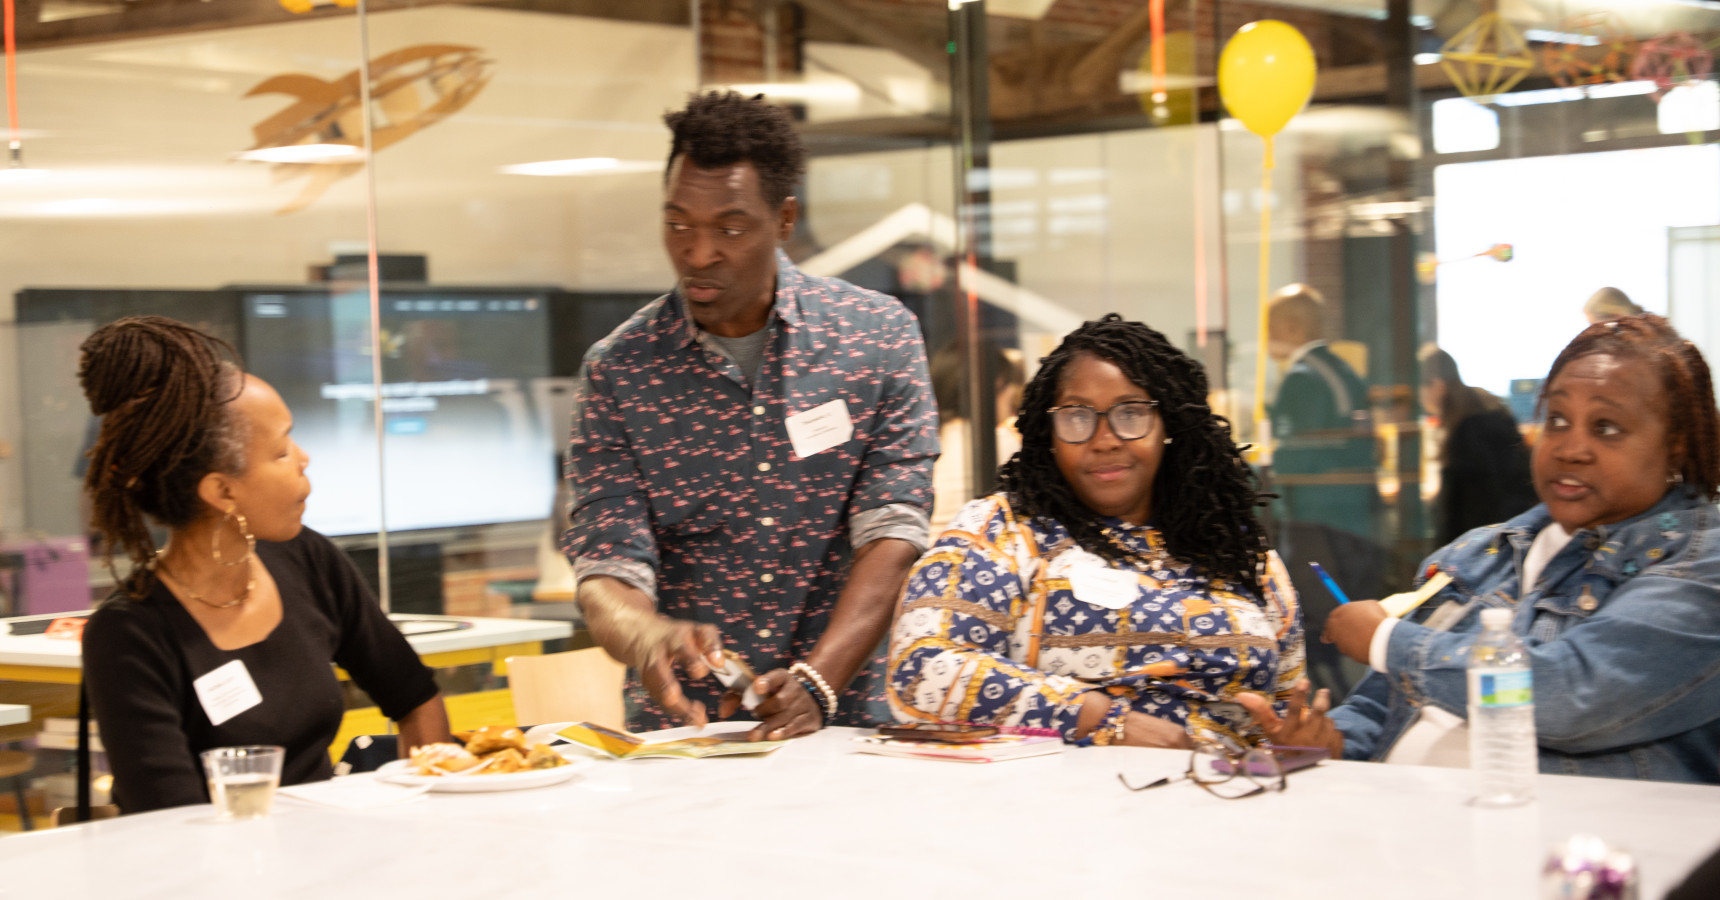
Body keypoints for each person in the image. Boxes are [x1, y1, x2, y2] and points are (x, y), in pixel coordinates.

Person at [565, 92, 937, 740]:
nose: (698, 252)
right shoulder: (620, 372)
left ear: (784, 218)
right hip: (690, 735)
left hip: (846, 724)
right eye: (678, 224)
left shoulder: (875, 340)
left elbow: (894, 531)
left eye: (730, 228)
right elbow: (607, 565)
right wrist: (642, 632)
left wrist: (819, 682)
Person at [1244, 314, 1720, 784]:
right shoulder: (1475, 555)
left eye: (1606, 427)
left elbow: (1573, 696)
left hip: (1570, 828)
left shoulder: (1698, 562)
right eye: (1557, 420)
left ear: (1676, 444)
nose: (1570, 448)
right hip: (1398, 815)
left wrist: (1386, 641)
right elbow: (1381, 705)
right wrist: (1330, 741)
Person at [78, 317, 449, 814]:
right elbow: (165, 819)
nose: (304, 458)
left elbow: (415, 697)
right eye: (281, 450)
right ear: (222, 491)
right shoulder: (130, 634)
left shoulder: (307, 561)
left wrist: (427, 811)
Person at [889, 315, 1307, 748]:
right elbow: (919, 670)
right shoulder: (1002, 530)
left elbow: (1287, 710)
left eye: (1131, 413)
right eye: (1077, 416)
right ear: (1049, 432)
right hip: (1066, 786)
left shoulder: (1238, 550)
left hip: (1230, 784)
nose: (1105, 439)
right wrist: (1100, 718)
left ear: (1168, 425)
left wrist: (1305, 743)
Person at [1265, 283, 1383, 696]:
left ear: (1292, 328)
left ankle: (1330, 697)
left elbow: (1294, 455)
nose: (1267, 342)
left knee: (1322, 616)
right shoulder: (1345, 372)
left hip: (1316, 519)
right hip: (1356, 518)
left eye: (1270, 329)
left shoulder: (1301, 378)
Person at [1420, 346, 1537, 544]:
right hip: (1517, 529)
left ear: (1438, 386)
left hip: (1489, 541)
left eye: (1420, 387)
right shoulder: (1486, 407)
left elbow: (1464, 510)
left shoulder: (1466, 430)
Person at [929, 342, 1024, 533]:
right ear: (995, 385)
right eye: (1008, 384)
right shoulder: (996, 441)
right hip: (971, 546)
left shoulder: (930, 437)